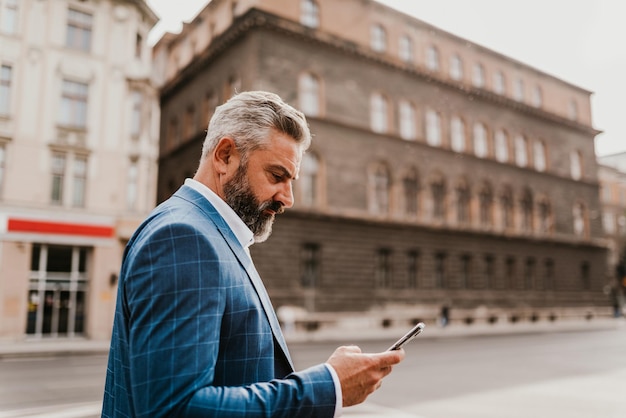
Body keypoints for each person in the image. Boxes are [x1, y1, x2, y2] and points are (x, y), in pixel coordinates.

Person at [102, 91, 404, 418]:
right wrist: (329, 386)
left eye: (292, 181)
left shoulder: (207, 231)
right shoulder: (184, 237)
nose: (287, 198)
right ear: (225, 156)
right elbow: (175, 409)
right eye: (277, 176)